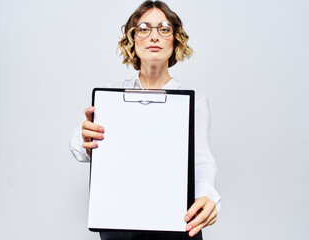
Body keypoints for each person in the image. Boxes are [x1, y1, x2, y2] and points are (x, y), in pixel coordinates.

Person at [69, 1, 220, 239]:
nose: (154, 36)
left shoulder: (194, 101)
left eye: (164, 29)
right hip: (120, 222)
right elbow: (80, 145)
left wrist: (207, 196)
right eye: (144, 28)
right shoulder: (111, 96)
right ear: (132, 39)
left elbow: (201, 160)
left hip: (175, 220)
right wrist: (84, 138)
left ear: (175, 39)